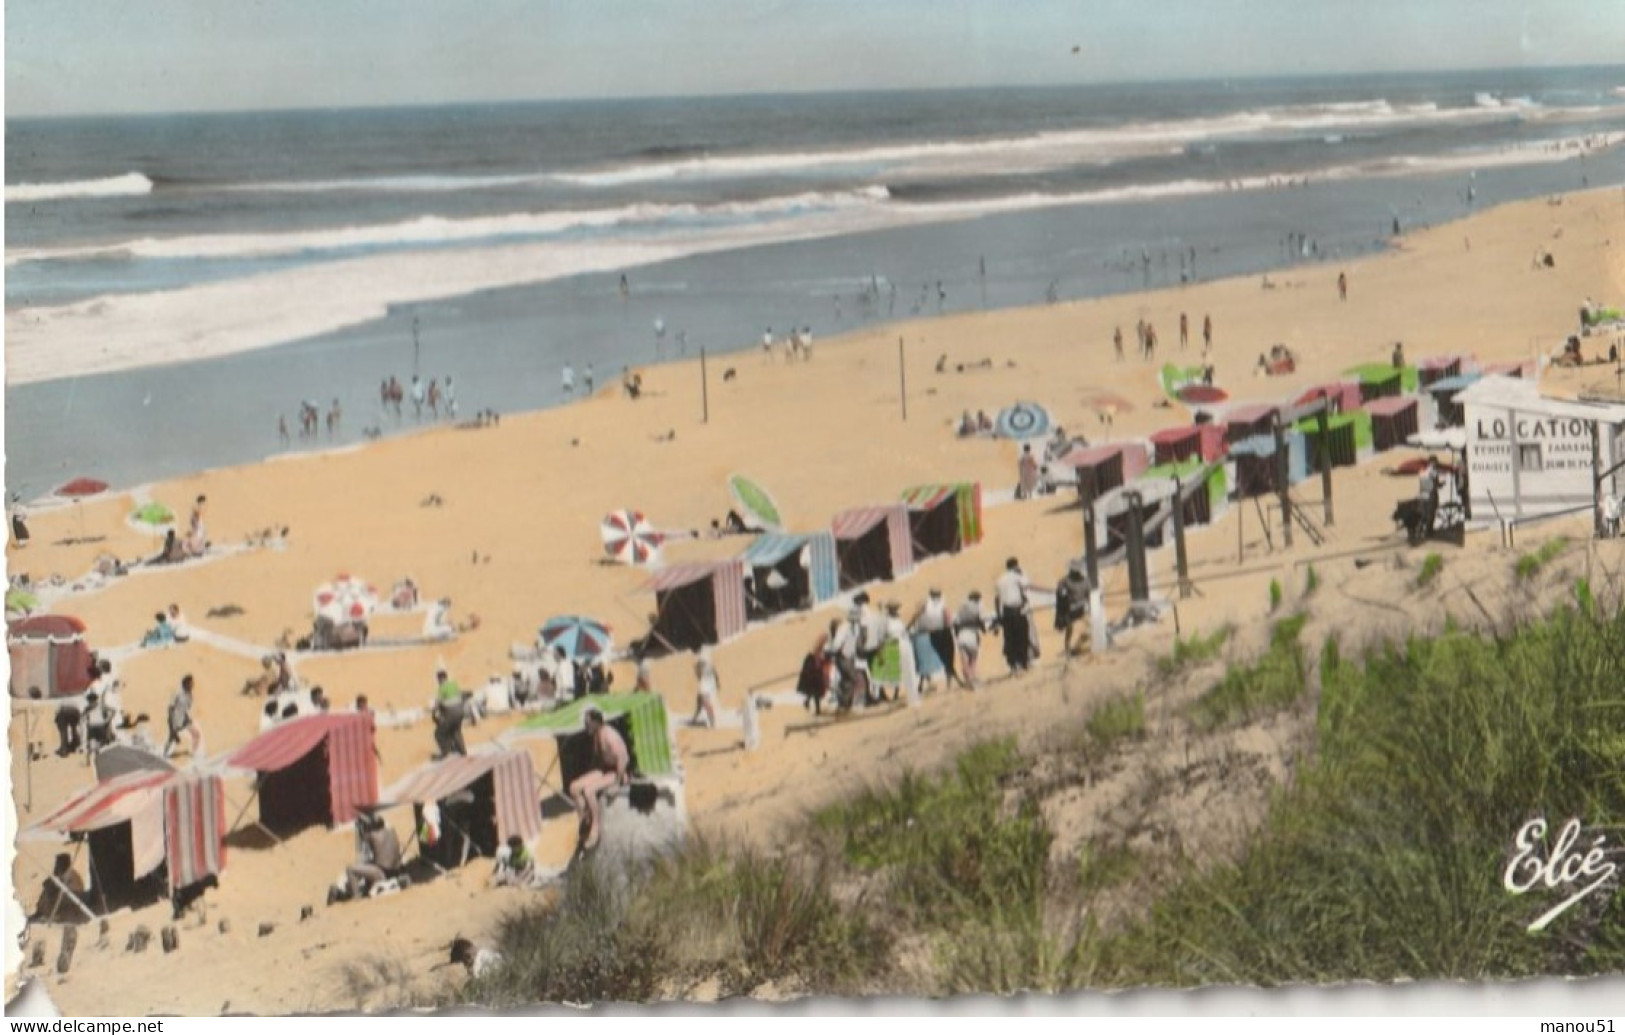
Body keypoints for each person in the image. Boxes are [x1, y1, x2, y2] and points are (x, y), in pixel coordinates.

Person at [569, 707, 629, 854]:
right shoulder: (596, 735)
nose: (585, 726)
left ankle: (595, 827)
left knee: (589, 791)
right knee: (574, 787)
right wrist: (591, 776)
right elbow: (598, 759)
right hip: (604, 769)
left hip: (617, 771)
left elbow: (623, 757)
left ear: (596, 722)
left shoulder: (609, 735)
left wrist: (618, 781)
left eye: (588, 723)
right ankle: (585, 818)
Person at [335, 812, 405, 903]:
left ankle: (356, 898)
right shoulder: (392, 831)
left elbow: (361, 856)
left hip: (381, 873)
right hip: (396, 871)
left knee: (350, 869)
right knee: (371, 864)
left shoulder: (370, 836)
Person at [994, 558, 1043, 676]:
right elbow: (1029, 587)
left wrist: (999, 615)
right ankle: (1023, 662)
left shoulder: (1000, 580)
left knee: (1010, 638)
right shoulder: (1017, 577)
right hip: (1017, 610)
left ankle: (1014, 665)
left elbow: (996, 599)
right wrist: (1049, 590)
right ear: (1016, 566)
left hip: (1006, 612)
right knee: (1022, 636)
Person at [912, 587, 962, 689]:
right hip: (944, 632)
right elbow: (948, 619)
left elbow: (916, 616)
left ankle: (950, 680)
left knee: (942, 657)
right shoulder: (942, 603)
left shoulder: (925, 604)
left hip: (932, 634)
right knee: (948, 657)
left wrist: (908, 627)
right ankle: (951, 681)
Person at [31, 854, 87, 924]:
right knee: (48, 889)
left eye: (58, 864)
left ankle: (43, 913)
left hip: (74, 897)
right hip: (68, 895)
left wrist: (52, 884)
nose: (56, 865)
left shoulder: (70, 874)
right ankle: (41, 912)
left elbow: (65, 887)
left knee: (49, 891)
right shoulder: (66, 872)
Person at [1054, 559, 1093, 656]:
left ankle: (1083, 647)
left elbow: (1090, 595)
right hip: (1070, 610)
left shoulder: (1085, 581)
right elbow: (1060, 591)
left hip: (1082, 609)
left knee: (1090, 626)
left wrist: (1089, 607)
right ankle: (1068, 650)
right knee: (1069, 629)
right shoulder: (1065, 581)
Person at [431, 669, 467, 759]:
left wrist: (434, 712)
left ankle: (444, 752)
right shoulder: (454, 684)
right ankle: (463, 751)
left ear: (439, 679)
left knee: (439, 733)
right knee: (456, 731)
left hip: (451, 713)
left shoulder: (442, 687)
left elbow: (438, 704)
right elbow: (460, 696)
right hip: (461, 711)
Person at [164, 675, 202, 759]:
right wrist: (171, 724)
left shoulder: (190, 695)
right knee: (172, 738)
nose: (193, 685)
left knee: (196, 734)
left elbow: (187, 708)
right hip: (175, 719)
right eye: (191, 683)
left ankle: (194, 753)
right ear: (186, 684)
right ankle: (165, 754)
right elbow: (170, 708)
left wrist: (187, 718)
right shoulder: (177, 693)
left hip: (184, 718)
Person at [691, 647, 720, 727]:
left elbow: (700, 675)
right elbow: (714, 672)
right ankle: (695, 718)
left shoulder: (701, 663)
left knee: (706, 703)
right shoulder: (705, 663)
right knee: (700, 701)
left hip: (706, 687)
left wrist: (696, 670)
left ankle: (712, 721)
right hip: (708, 686)